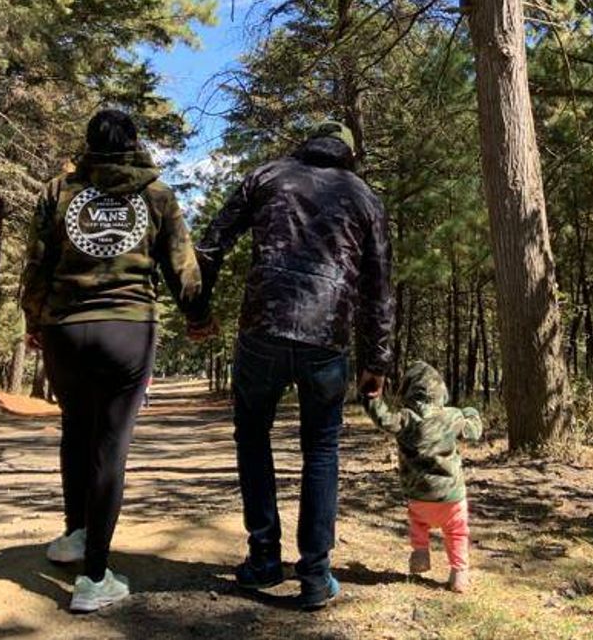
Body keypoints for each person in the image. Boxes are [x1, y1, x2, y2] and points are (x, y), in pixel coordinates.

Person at [189, 120, 394, 611]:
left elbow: (210, 244)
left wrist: (198, 311)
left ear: (308, 144)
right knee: (321, 449)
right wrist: (377, 359)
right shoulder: (364, 196)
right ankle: (315, 575)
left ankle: (262, 559)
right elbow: (379, 285)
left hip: (263, 328)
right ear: (348, 153)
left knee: (253, 437)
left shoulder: (267, 176)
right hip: (327, 340)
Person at [21, 108, 201, 613]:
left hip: (65, 330)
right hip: (128, 329)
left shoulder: (58, 192)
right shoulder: (157, 195)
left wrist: (34, 320)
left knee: (76, 429)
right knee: (110, 444)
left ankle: (76, 535)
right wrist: (197, 314)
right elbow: (181, 268)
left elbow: (37, 264)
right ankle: (94, 577)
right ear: (135, 143)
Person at [362, 361, 483, 594]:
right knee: (457, 532)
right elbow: (474, 432)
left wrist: (370, 396)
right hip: (451, 496)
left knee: (418, 522)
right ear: (441, 392)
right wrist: (471, 412)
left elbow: (382, 418)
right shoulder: (452, 417)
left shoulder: (405, 419)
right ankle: (459, 574)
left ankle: (420, 554)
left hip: (418, 495)